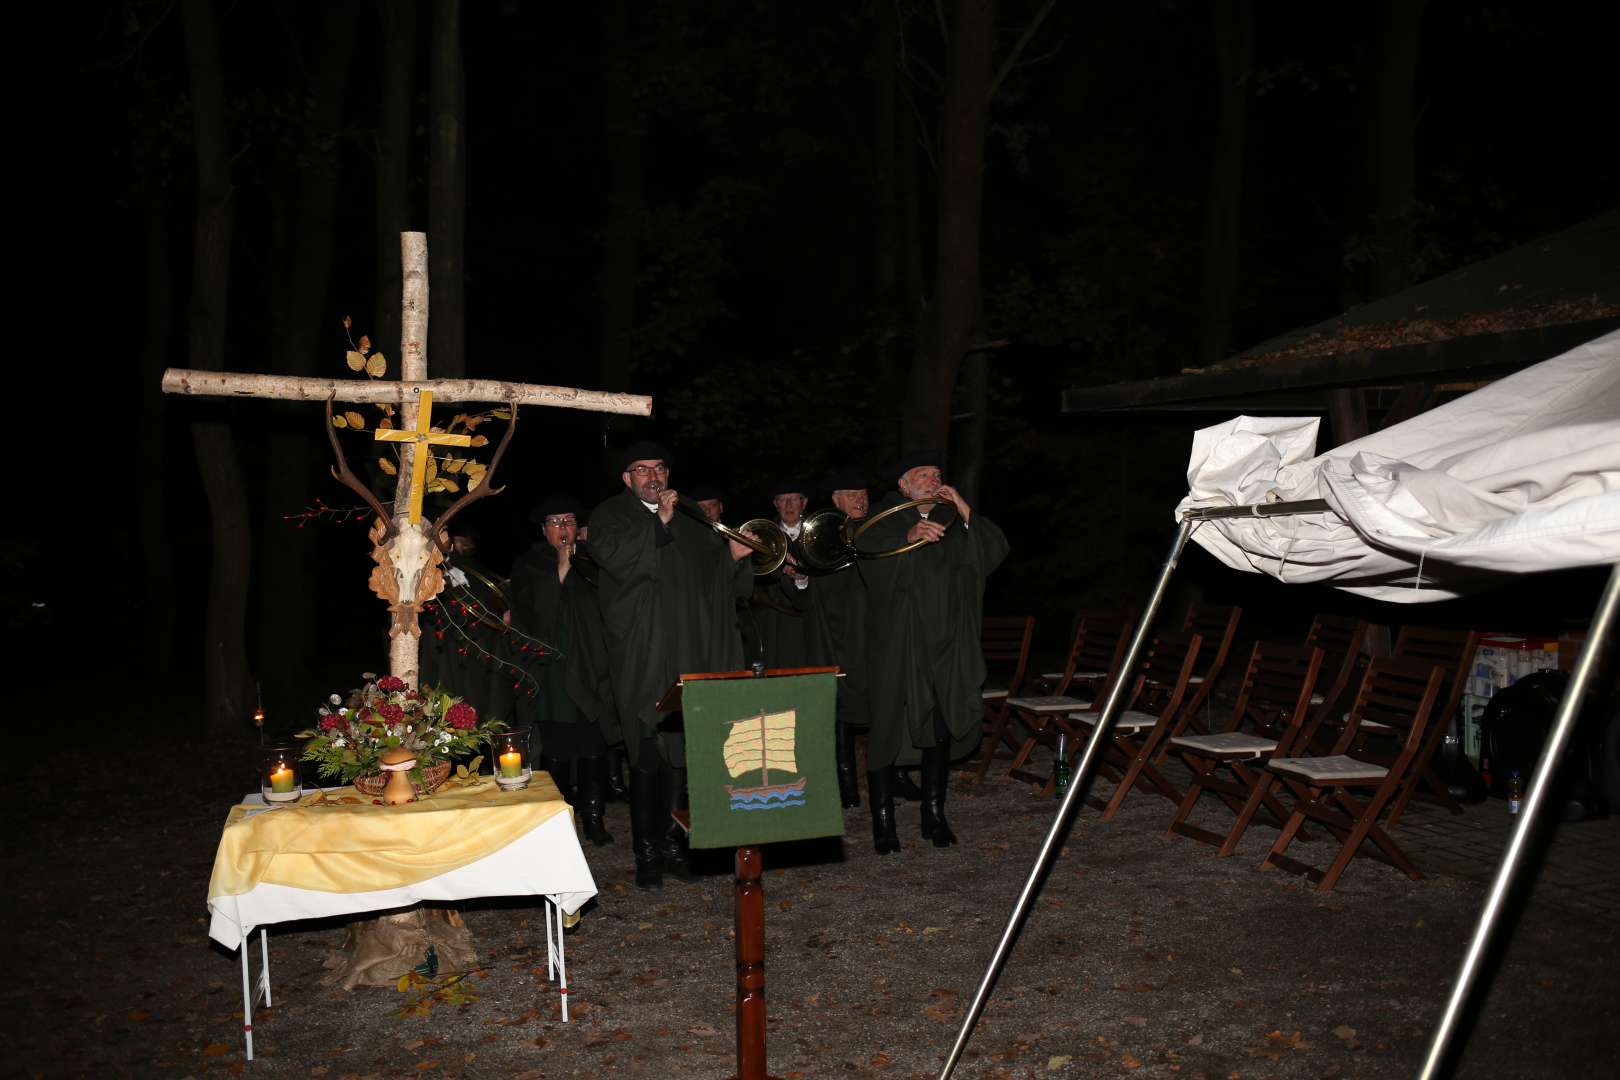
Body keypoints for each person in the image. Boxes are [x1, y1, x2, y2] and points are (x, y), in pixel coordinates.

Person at [588, 442, 756, 888]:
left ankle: (672, 847)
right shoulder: (610, 516)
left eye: (659, 467)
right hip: (642, 654)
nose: (653, 476)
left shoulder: (691, 517)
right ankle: (645, 855)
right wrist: (657, 522)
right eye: (641, 469)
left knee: (682, 752)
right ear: (627, 478)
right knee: (646, 752)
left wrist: (734, 559)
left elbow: (711, 581)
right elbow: (616, 561)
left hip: (686, 651)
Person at [861, 451, 1007, 853]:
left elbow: (991, 554)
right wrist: (905, 539)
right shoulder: (882, 518)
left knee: (940, 723)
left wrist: (965, 512)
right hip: (900, 642)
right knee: (890, 724)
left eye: (937, 473)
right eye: (922, 474)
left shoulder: (951, 518)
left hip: (947, 642)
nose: (932, 479)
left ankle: (933, 815)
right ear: (903, 485)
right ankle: (884, 821)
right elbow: (868, 563)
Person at [508, 494, 615, 846]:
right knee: (556, 746)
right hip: (551, 670)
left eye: (569, 521)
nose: (563, 528)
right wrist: (562, 567)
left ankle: (594, 817)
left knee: (592, 745)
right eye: (555, 523)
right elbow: (534, 609)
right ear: (544, 530)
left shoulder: (596, 561)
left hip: (592, 667)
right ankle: (559, 817)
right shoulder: (530, 564)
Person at [812, 468, 872, 808]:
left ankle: (895, 776)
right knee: (842, 708)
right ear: (836, 501)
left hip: (875, 629)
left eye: (863, 493)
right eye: (852, 494)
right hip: (840, 632)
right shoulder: (824, 537)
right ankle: (846, 783)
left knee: (886, 701)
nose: (860, 499)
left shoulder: (881, 527)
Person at [420, 524, 518, 729]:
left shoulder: (471, 569)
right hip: (446, 657)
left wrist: (504, 614)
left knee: (486, 713)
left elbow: (493, 601)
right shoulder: (426, 572)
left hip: (481, 657)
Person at [749, 481, 825, 671]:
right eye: (783, 500)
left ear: (804, 503)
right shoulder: (761, 536)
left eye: (794, 499)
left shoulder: (821, 533)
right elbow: (753, 577)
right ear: (776, 504)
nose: (789, 505)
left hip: (813, 621)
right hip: (775, 622)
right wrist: (779, 571)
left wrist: (803, 577)